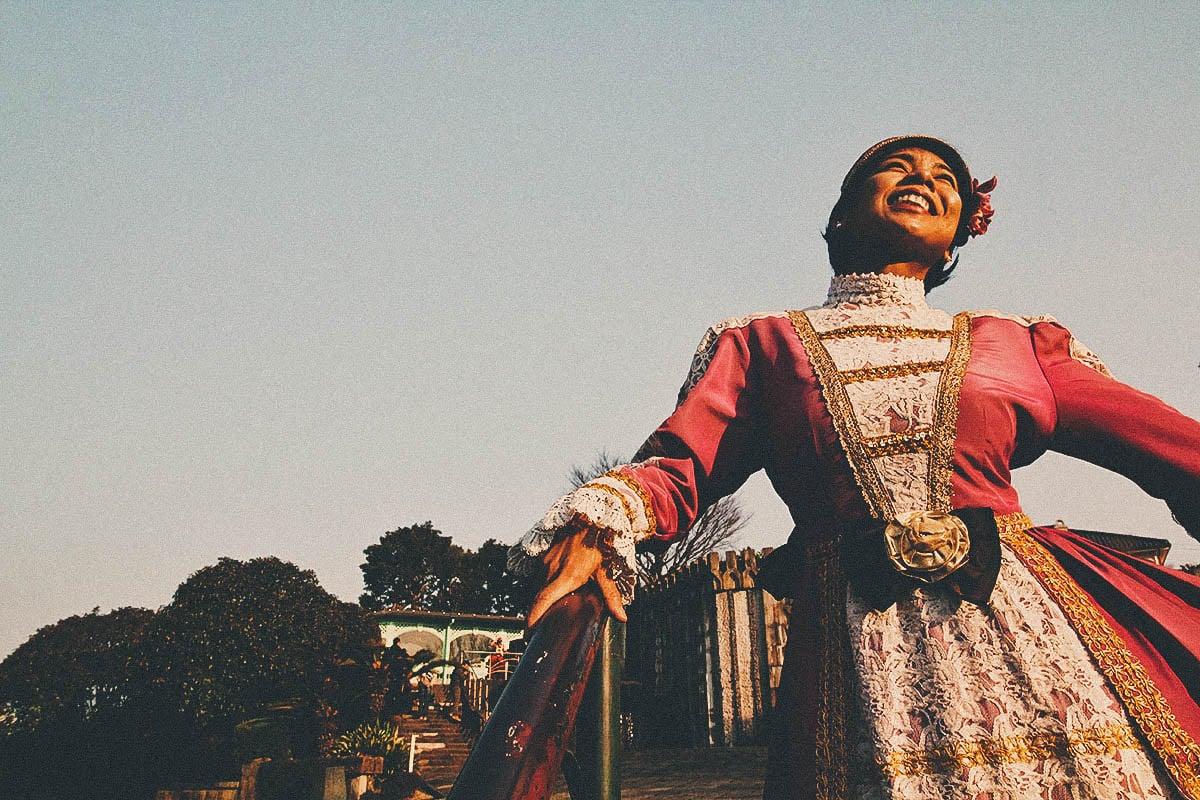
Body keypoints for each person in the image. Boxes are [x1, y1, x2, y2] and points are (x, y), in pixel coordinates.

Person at [508, 135, 1200, 799]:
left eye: (946, 180)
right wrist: (602, 519)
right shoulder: (759, 345)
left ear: (960, 233)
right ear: (842, 211)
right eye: (898, 166)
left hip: (1034, 635)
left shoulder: (1016, 342)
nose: (924, 179)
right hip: (853, 650)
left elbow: (1170, 445)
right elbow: (681, 466)